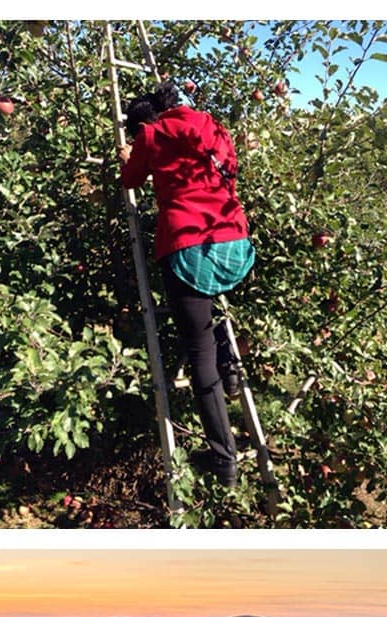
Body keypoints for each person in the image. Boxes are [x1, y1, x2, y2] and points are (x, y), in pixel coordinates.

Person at [119, 81, 254, 487]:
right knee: (213, 307)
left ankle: (224, 462)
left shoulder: (151, 133)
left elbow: (130, 180)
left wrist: (129, 155)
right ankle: (231, 369)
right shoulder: (214, 128)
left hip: (186, 245)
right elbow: (229, 171)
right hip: (233, 239)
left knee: (198, 353)